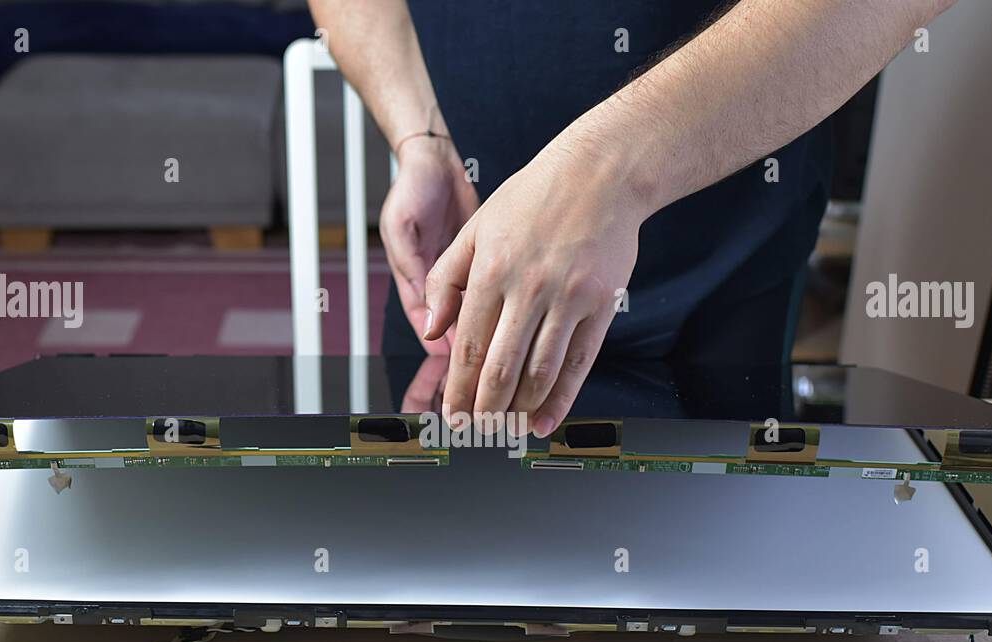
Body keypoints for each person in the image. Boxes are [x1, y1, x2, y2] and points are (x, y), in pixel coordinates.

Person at [309, 0, 955, 436]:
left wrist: (603, 177)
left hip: (721, 267)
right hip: (462, 261)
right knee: (441, 570)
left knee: (706, 587)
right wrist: (423, 138)